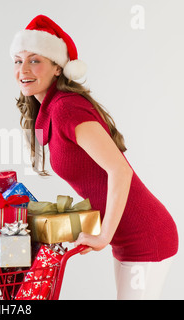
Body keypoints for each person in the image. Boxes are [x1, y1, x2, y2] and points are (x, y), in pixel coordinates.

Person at [10, 14, 178, 299]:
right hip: (127, 240)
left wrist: (104, 236)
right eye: (17, 60)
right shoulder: (50, 110)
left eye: (35, 60)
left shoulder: (66, 108)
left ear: (58, 68)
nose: (23, 68)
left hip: (146, 237)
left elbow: (119, 171)